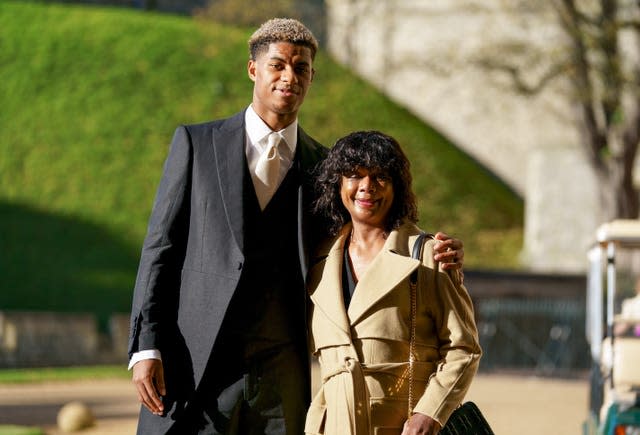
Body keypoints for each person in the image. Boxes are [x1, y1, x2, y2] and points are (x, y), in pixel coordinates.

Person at [128, 19, 465, 435]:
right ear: (253, 69)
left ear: (312, 76)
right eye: (278, 65)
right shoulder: (197, 144)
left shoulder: (326, 167)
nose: (290, 77)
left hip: (281, 371)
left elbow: (370, 224)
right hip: (197, 361)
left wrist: (432, 249)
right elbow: (160, 248)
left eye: (301, 68)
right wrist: (146, 344)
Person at [304, 131, 481, 435]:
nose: (366, 187)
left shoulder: (428, 255)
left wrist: (430, 413)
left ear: (397, 186)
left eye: (380, 176)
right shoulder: (318, 260)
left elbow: (463, 348)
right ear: (338, 184)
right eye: (353, 175)